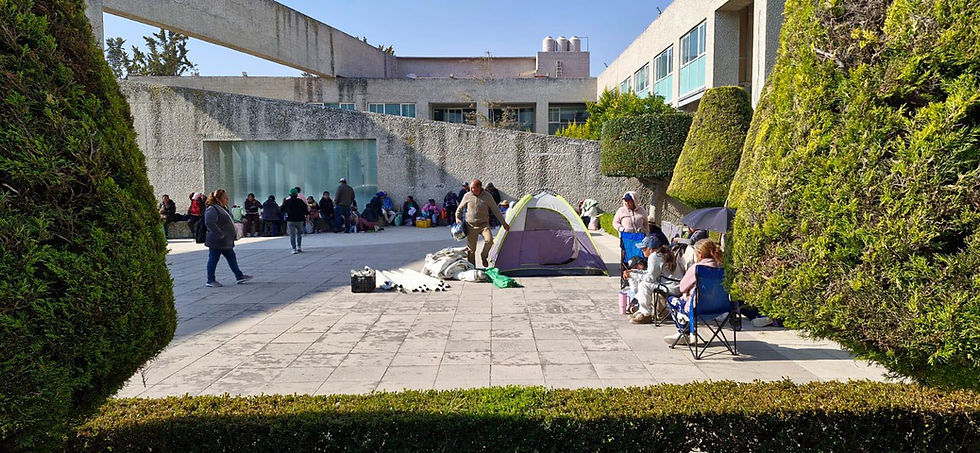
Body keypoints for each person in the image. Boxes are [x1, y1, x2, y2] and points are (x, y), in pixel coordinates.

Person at [664, 239, 724, 345]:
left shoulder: (697, 268)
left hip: (697, 309)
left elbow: (682, 288)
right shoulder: (720, 268)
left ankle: (683, 332)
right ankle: (685, 333)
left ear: (699, 254)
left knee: (670, 300)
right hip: (719, 308)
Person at [624, 236, 685, 324]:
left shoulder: (654, 256)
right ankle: (642, 310)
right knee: (644, 283)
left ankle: (646, 314)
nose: (642, 250)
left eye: (644, 248)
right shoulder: (663, 253)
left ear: (650, 249)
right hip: (674, 285)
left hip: (670, 287)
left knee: (644, 285)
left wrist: (632, 275)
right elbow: (650, 273)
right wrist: (634, 271)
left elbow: (650, 278)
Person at [203, 189, 252, 288]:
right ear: (218, 198)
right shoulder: (212, 209)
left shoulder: (222, 208)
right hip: (217, 240)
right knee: (213, 259)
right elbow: (209, 222)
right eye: (225, 198)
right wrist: (220, 233)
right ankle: (210, 280)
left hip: (225, 241)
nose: (227, 200)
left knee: (231, 257)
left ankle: (239, 276)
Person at [455, 179, 510, 267]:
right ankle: (472, 267)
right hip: (470, 226)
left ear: (479, 187)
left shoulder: (487, 196)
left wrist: (504, 223)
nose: (471, 190)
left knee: (489, 241)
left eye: (473, 188)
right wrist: (457, 218)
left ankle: (484, 256)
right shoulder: (467, 196)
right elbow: (459, 209)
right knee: (471, 250)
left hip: (484, 225)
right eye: (470, 188)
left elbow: (496, 210)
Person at [282, 188, 309, 254]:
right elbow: (306, 210)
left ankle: (294, 249)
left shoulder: (287, 202)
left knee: (292, 235)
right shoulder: (300, 201)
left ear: (290, 195)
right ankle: (299, 247)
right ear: (297, 195)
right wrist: (307, 217)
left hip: (290, 220)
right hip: (300, 219)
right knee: (299, 234)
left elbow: (281, 210)